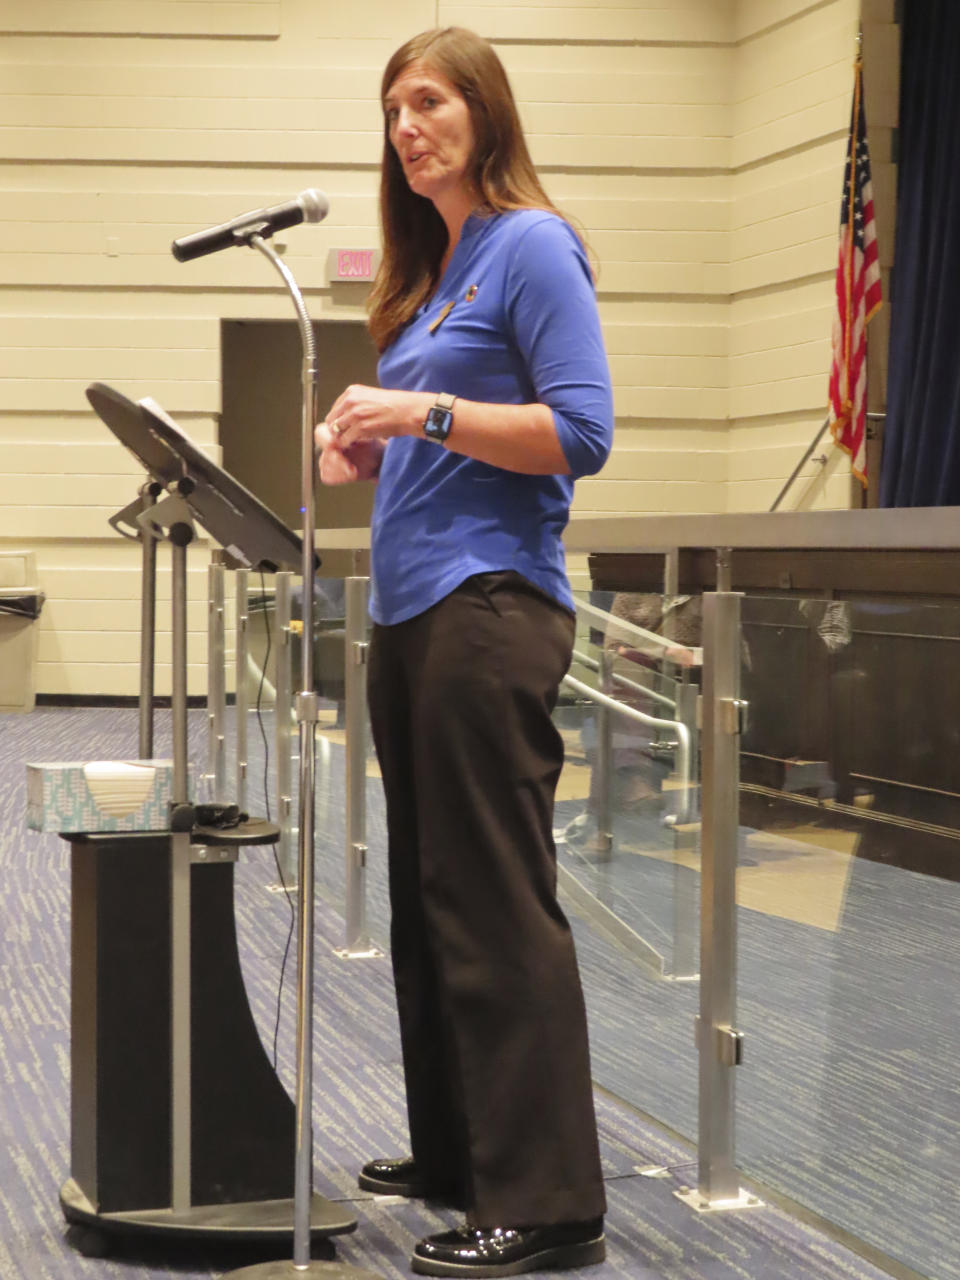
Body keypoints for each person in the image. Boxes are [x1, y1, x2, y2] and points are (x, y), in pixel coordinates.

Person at [316, 26, 613, 1277]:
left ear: (484, 113)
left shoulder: (532, 244)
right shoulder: (434, 272)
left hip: (492, 607)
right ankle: (458, 1151)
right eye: (393, 110)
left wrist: (420, 406)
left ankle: (546, 1201)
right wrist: (380, 443)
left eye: (428, 101)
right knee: (431, 901)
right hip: (413, 610)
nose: (407, 126)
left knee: (493, 900)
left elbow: (582, 432)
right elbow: (452, 432)